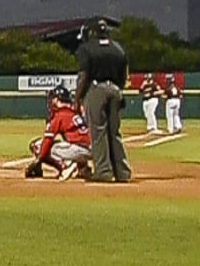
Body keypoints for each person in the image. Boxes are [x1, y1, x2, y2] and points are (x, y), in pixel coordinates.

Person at [75, 16, 130, 183]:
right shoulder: (118, 48)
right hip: (115, 89)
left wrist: (78, 97)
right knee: (114, 132)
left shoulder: (86, 48)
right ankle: (122, 172)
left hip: (96, 89)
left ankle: (104, 172)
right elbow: (125, 74)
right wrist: (118, 89)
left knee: (98, 132)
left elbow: (84, 75)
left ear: (92, 32)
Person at [24, 85, 92, 180]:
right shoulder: (76, 111)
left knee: (38, 146)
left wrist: (38, 160)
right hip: (94, 149)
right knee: (72, 137)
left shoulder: (59, 115)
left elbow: (47, 140)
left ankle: (66, 166)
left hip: (80, 149)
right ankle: (83, 169)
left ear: (56, 100)